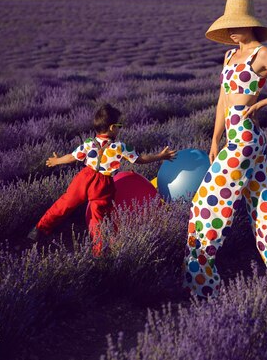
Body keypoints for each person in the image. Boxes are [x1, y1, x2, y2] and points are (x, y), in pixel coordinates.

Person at [183, 0, 267, 298]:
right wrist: (214, 139)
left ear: (250, 25)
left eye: (236, 26)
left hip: (247, 138)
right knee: (265, 204)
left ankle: (202, 284)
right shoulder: (229, 57)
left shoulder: (261, 54)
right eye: (229, 27)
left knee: (207, 205)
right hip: (235, 136)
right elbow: (223, 99)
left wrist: (260, 103)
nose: (232, 32)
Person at [27, 103, 176, 255]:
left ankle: (39, 229)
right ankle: (99, 253)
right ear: (112, 127)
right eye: (119, 125)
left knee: (64, 204)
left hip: (84, 177)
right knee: (98, 219)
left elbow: (72, 157)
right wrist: (160, 156)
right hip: (103, 183)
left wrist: (56, 161)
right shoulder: (120, 147)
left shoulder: (88, 143)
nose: (120, 129)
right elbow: (140, 159)